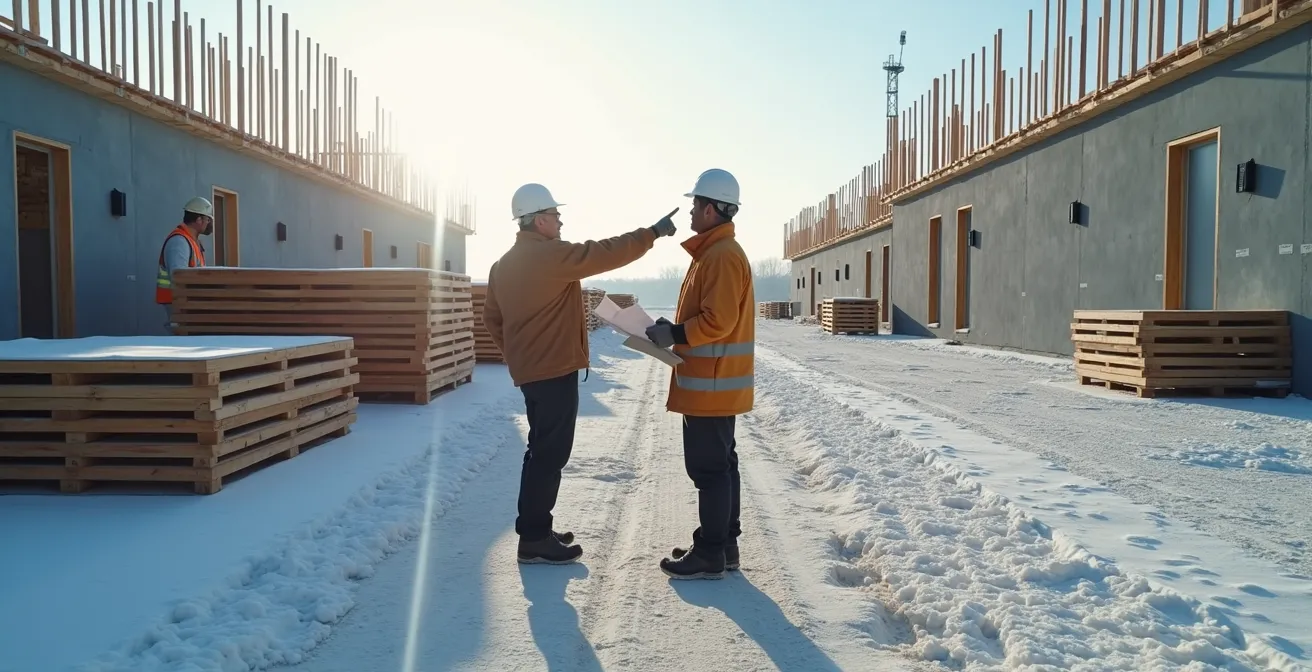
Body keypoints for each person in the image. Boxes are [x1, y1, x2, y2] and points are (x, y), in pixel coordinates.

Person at [483, 183, 679, 565]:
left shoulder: (502, 265)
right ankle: (535, 539)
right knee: (550, 454)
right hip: (554, 371)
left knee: (539, 450)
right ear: (539, 220)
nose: (560, 220)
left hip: (533, 373)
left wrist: (518, 357)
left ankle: (535, 527)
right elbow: (605, 252)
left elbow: (492, 319)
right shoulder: (551, 256)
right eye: (555, 215)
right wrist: (652, 233)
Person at [645, 168, 754, 580]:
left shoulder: (721, 256)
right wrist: (670, 329)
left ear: (710, 209)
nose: (690, 211)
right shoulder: (713, 253)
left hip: (712, 383)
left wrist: (673, 333)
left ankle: (711, 552)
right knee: (722, 466)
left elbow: (718, 321)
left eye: (694, 204)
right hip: (714, 381)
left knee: (710, 470)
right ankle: (722, 545)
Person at [156, 197, 214, 332]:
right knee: (182, 337)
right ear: (199, 220)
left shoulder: (192, 241)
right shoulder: (179, 242)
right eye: (208, 220)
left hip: (189, 302)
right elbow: (178, 277)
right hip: (179, 302)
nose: (210, 223)